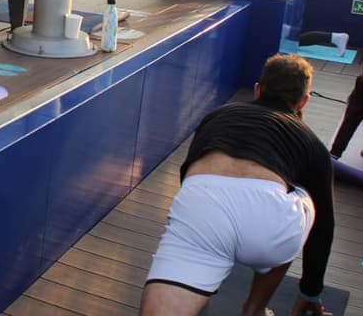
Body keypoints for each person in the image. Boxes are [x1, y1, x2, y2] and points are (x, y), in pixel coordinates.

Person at [141, 54, 334, 316]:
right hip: (269, 229)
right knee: (303, 198)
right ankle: (254, 309)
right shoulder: (311, 143)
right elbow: (323, 226)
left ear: (257, 90)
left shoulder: (218, 115)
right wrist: (311, 291)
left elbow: (189, 174)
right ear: (304, 102)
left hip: (203, 207)